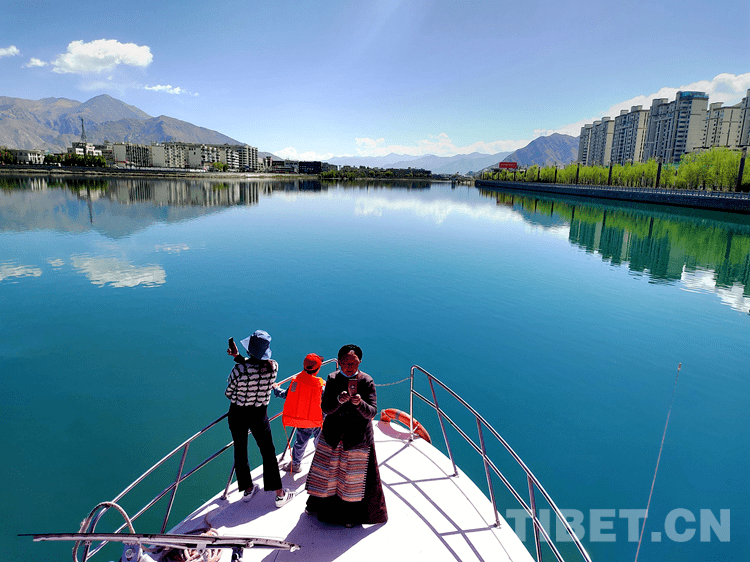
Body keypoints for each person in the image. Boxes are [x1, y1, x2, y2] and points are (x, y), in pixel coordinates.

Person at [304, 344, 388, 527]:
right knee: (326, 475)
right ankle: (318, 508)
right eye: (345, 362)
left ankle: (350, 517)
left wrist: (360, 404)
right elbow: (325, 408)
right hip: (333, 435)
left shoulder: (366, 381)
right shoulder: (332, 379)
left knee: (352, 481)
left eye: (353, 362)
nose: (349, 366)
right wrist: (338, 401)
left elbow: (372, 412)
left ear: (360, 361)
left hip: (357, 438)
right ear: (339, 362)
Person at [225, 330, 293, 508]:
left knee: (240, 450)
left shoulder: (239, 369)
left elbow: (229, 393)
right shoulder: (273, 367)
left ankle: (247, 489)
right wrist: (238, 357)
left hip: (238, 413)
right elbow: (256, 366)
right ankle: (279, 494)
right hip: (259, 414)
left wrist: (239, 360)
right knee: (268, 452)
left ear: (249, 350)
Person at [272, 353, 325, 473]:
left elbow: (286, 395)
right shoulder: (321, 385)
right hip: (318, 419)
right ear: (318, 369)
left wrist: (276, 388)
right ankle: (322, 461)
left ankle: (296, 465)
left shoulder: (295, 382)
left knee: (300, 442)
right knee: (320, 440)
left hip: (303, 420)